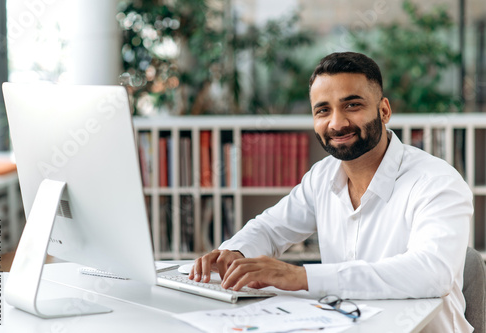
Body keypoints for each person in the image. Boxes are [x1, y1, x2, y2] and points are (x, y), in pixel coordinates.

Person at [189, 52, 474, 333]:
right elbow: (270, 229)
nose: (337, 123)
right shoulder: (323, 175)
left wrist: (302, 277)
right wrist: (235, 252)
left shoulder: (437, 181)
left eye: (352, 105)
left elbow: (431, 273)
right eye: (323, 110)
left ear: (384, 111)